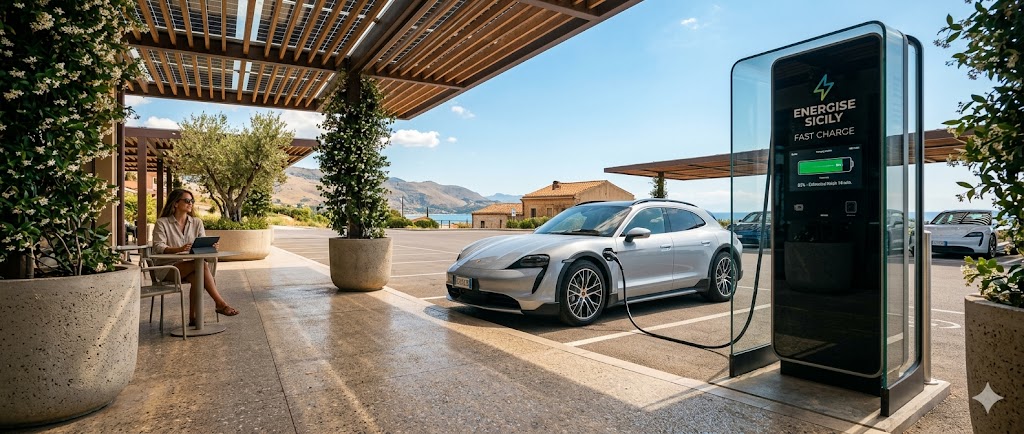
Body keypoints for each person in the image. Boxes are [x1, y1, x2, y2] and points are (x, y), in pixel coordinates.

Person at [151, 189, 239, 326]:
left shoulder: (197, 222)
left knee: (198, 278)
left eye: (192, 201)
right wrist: (178, 250)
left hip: (191, 265)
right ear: (175, 203)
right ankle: (220, 304)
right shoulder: (162, 223)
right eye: (187, 200)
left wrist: (210, 247)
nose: (190, 203)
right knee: (202, 266)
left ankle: (193, 319)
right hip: (169, 267)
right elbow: (158, 247)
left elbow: (201, 243)